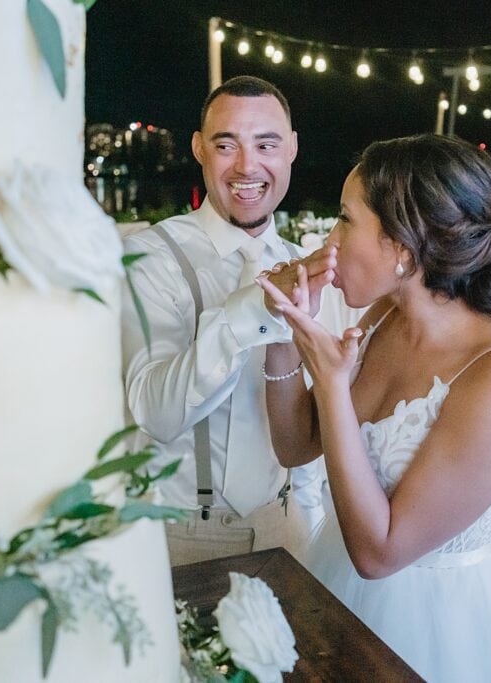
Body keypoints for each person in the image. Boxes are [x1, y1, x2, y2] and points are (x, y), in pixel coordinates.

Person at [257, 134, 491, 680]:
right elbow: (295, 443)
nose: (330, 238)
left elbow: (379, 554)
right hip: (337, 579)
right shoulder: (381, 318)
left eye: (346, 220)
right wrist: (281, 326)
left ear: (403, 247)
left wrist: (329, 383)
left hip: (444, 624)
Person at [121, 76, 331, 566]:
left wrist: (311, 523)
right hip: (183, 537)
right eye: (226, 144)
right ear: (198, 148)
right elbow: (156, 414)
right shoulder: (151, 257)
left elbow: (308, 423)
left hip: (287, 527)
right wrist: (250, 313)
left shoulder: (308, 264)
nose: (247, 165)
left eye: (266, 144)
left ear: (292, 149)